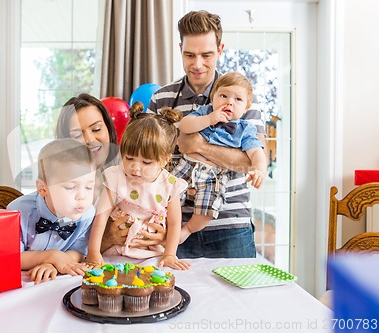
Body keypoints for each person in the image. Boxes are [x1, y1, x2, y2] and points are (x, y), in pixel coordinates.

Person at [147, 10, 267, 258]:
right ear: (180, 48)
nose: (197, 64)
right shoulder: (162, 99)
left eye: (207, 55)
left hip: (231, 228)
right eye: (189, 54)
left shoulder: (243, 101)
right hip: (173, 226)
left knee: (238, 298)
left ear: (220, 49)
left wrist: (196, 145)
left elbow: (251, 161)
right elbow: (149, 159)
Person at [55, 93, 166, 254]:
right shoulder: (61, 188)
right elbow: (57, 245)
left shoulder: (135, 171)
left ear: (108, 128)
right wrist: (105, 240)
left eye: (96, 129)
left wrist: (161, 235)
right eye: (77, 135)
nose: (90, 139)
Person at [85, 102, 190, 270]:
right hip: (117, 253)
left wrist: (170, 254)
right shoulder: (116, 177)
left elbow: (175, 223)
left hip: (153, 254)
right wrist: (93, 251)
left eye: (146, 162)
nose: (135, 167)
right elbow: (101, 217)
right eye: (129, 158)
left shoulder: (170, 185)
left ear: (165, 159)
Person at [173, 72, 267, 243]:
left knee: (208, 209)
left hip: (215, 176)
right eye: (223, 95)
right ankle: (167, 225)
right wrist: (209, 119)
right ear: (213, 98)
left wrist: (259, 169)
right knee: (167, 192)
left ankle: (187, 229)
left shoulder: (245, 129)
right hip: (187, 165)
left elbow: (256, 152)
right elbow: (184, 126)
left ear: (246, 107)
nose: (229, 102)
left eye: (238, 99)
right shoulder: (205, 112)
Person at [7, 138, 96, 284]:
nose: (82, 196)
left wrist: (53, 263)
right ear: (43, 188)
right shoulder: (17, 213)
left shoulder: (87, 214)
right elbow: (10, 258)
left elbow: (79, 251)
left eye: (89, 187)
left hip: (57, 283)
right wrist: (50, 256)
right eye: (70, 187)